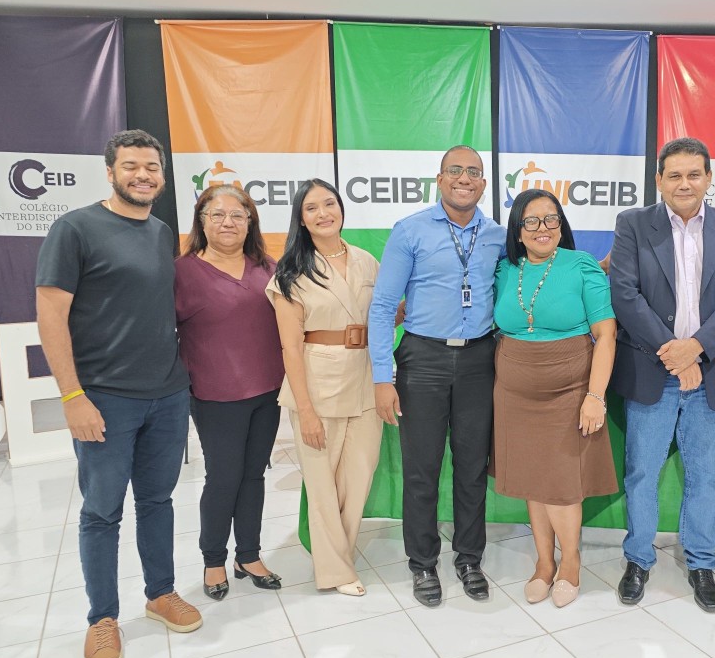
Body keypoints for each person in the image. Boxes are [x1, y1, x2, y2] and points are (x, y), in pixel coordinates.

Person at [35, 129, 202, 658]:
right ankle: (102, 618)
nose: (142, 175)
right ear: (110, 172)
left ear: (162, 176)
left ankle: (160, 593)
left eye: (151, 167)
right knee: (101, 511)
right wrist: (73, 396)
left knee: (157, 501)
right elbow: (50, 316)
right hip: (105, 399)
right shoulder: (74, 228)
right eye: (131, 166)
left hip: (167, 395)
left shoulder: (161, 232)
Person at [610, 137, 715, 612]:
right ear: (659, 180)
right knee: (642, 472)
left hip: (708, 371)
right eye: (674, 175)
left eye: (694, 174)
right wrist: (675, 354)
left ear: (709, 178)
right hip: (652, 369)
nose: (684, 183)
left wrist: (697, 348)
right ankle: (638, 559)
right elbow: (625, 294)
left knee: (705, 476)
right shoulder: (633, 224)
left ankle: (701, 563)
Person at [368, 145, 505, 607]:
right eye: (456, 171)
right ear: (440, 179)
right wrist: (382, 378)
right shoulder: (409, 230)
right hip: (422, 359)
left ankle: (469, 558)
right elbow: (383, 307)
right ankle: (423, 563)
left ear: (483, 184)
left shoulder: (497, 235)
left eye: (474, 172)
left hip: (479, 361)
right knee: (422, 470)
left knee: (472, 467)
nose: (465, 178)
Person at [491, 189, 617, 608]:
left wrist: (595, 395)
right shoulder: (505, 269)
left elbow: (605, 335)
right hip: (514, 393)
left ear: (561, 226)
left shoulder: (581, 265)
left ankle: (571, 562)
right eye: (531, 221)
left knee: (561, 484)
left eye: (551, 219)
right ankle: (544, 562)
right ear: (518, 231)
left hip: (569, 390)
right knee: (534, 480)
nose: (542, 228)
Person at [266, 179, 382, 595]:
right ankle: (335, 572)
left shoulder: (367, 261)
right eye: (312, 208)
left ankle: (340, 556)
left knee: (358, 475)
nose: (323, 213)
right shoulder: (290, 272)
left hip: (365, 379)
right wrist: (306, 410)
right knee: (321, 483)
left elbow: (381, 316)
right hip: (318, 383)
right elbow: (290, 347)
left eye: (329, 204)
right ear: (301, 219)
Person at [174, 184, 285, 600]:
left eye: (238, 215)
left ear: (250, 221)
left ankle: (248, 555)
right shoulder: (182, 272)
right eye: (217, 215)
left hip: (267, 390)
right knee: (223, 477)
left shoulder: (268, 267)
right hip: (214, 395)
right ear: (201, 221)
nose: (228, 222)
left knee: (254, 474)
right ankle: (213, 560)